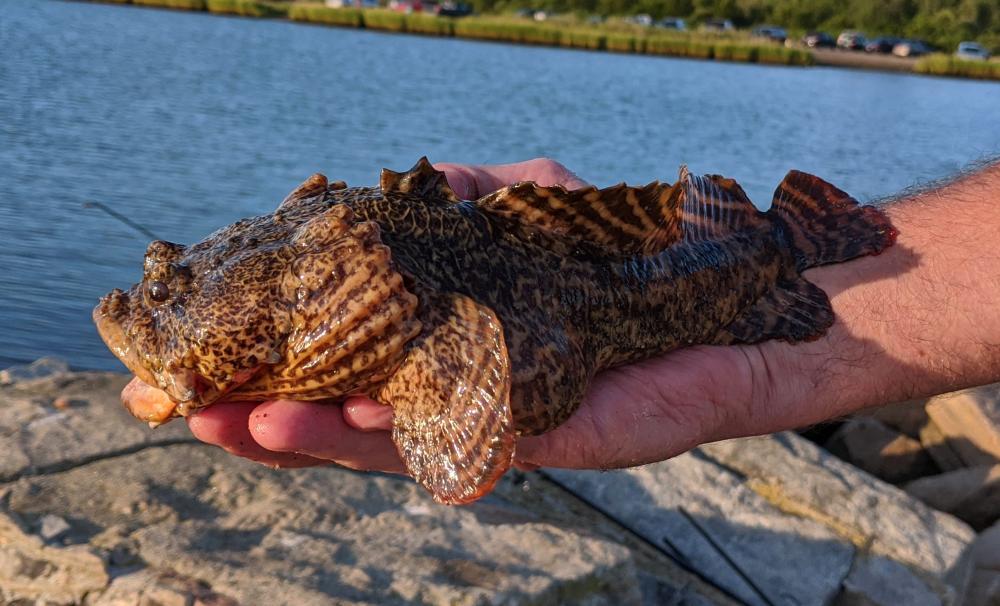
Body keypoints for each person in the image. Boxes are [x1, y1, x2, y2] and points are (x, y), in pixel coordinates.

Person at [132, 158, 1000, 475]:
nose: (150, 308)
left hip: (712, 273)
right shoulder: (307, 266)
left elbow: (484, 412)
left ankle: (785, 241)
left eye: (169, 294)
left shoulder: (346, 282)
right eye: (167, 285)